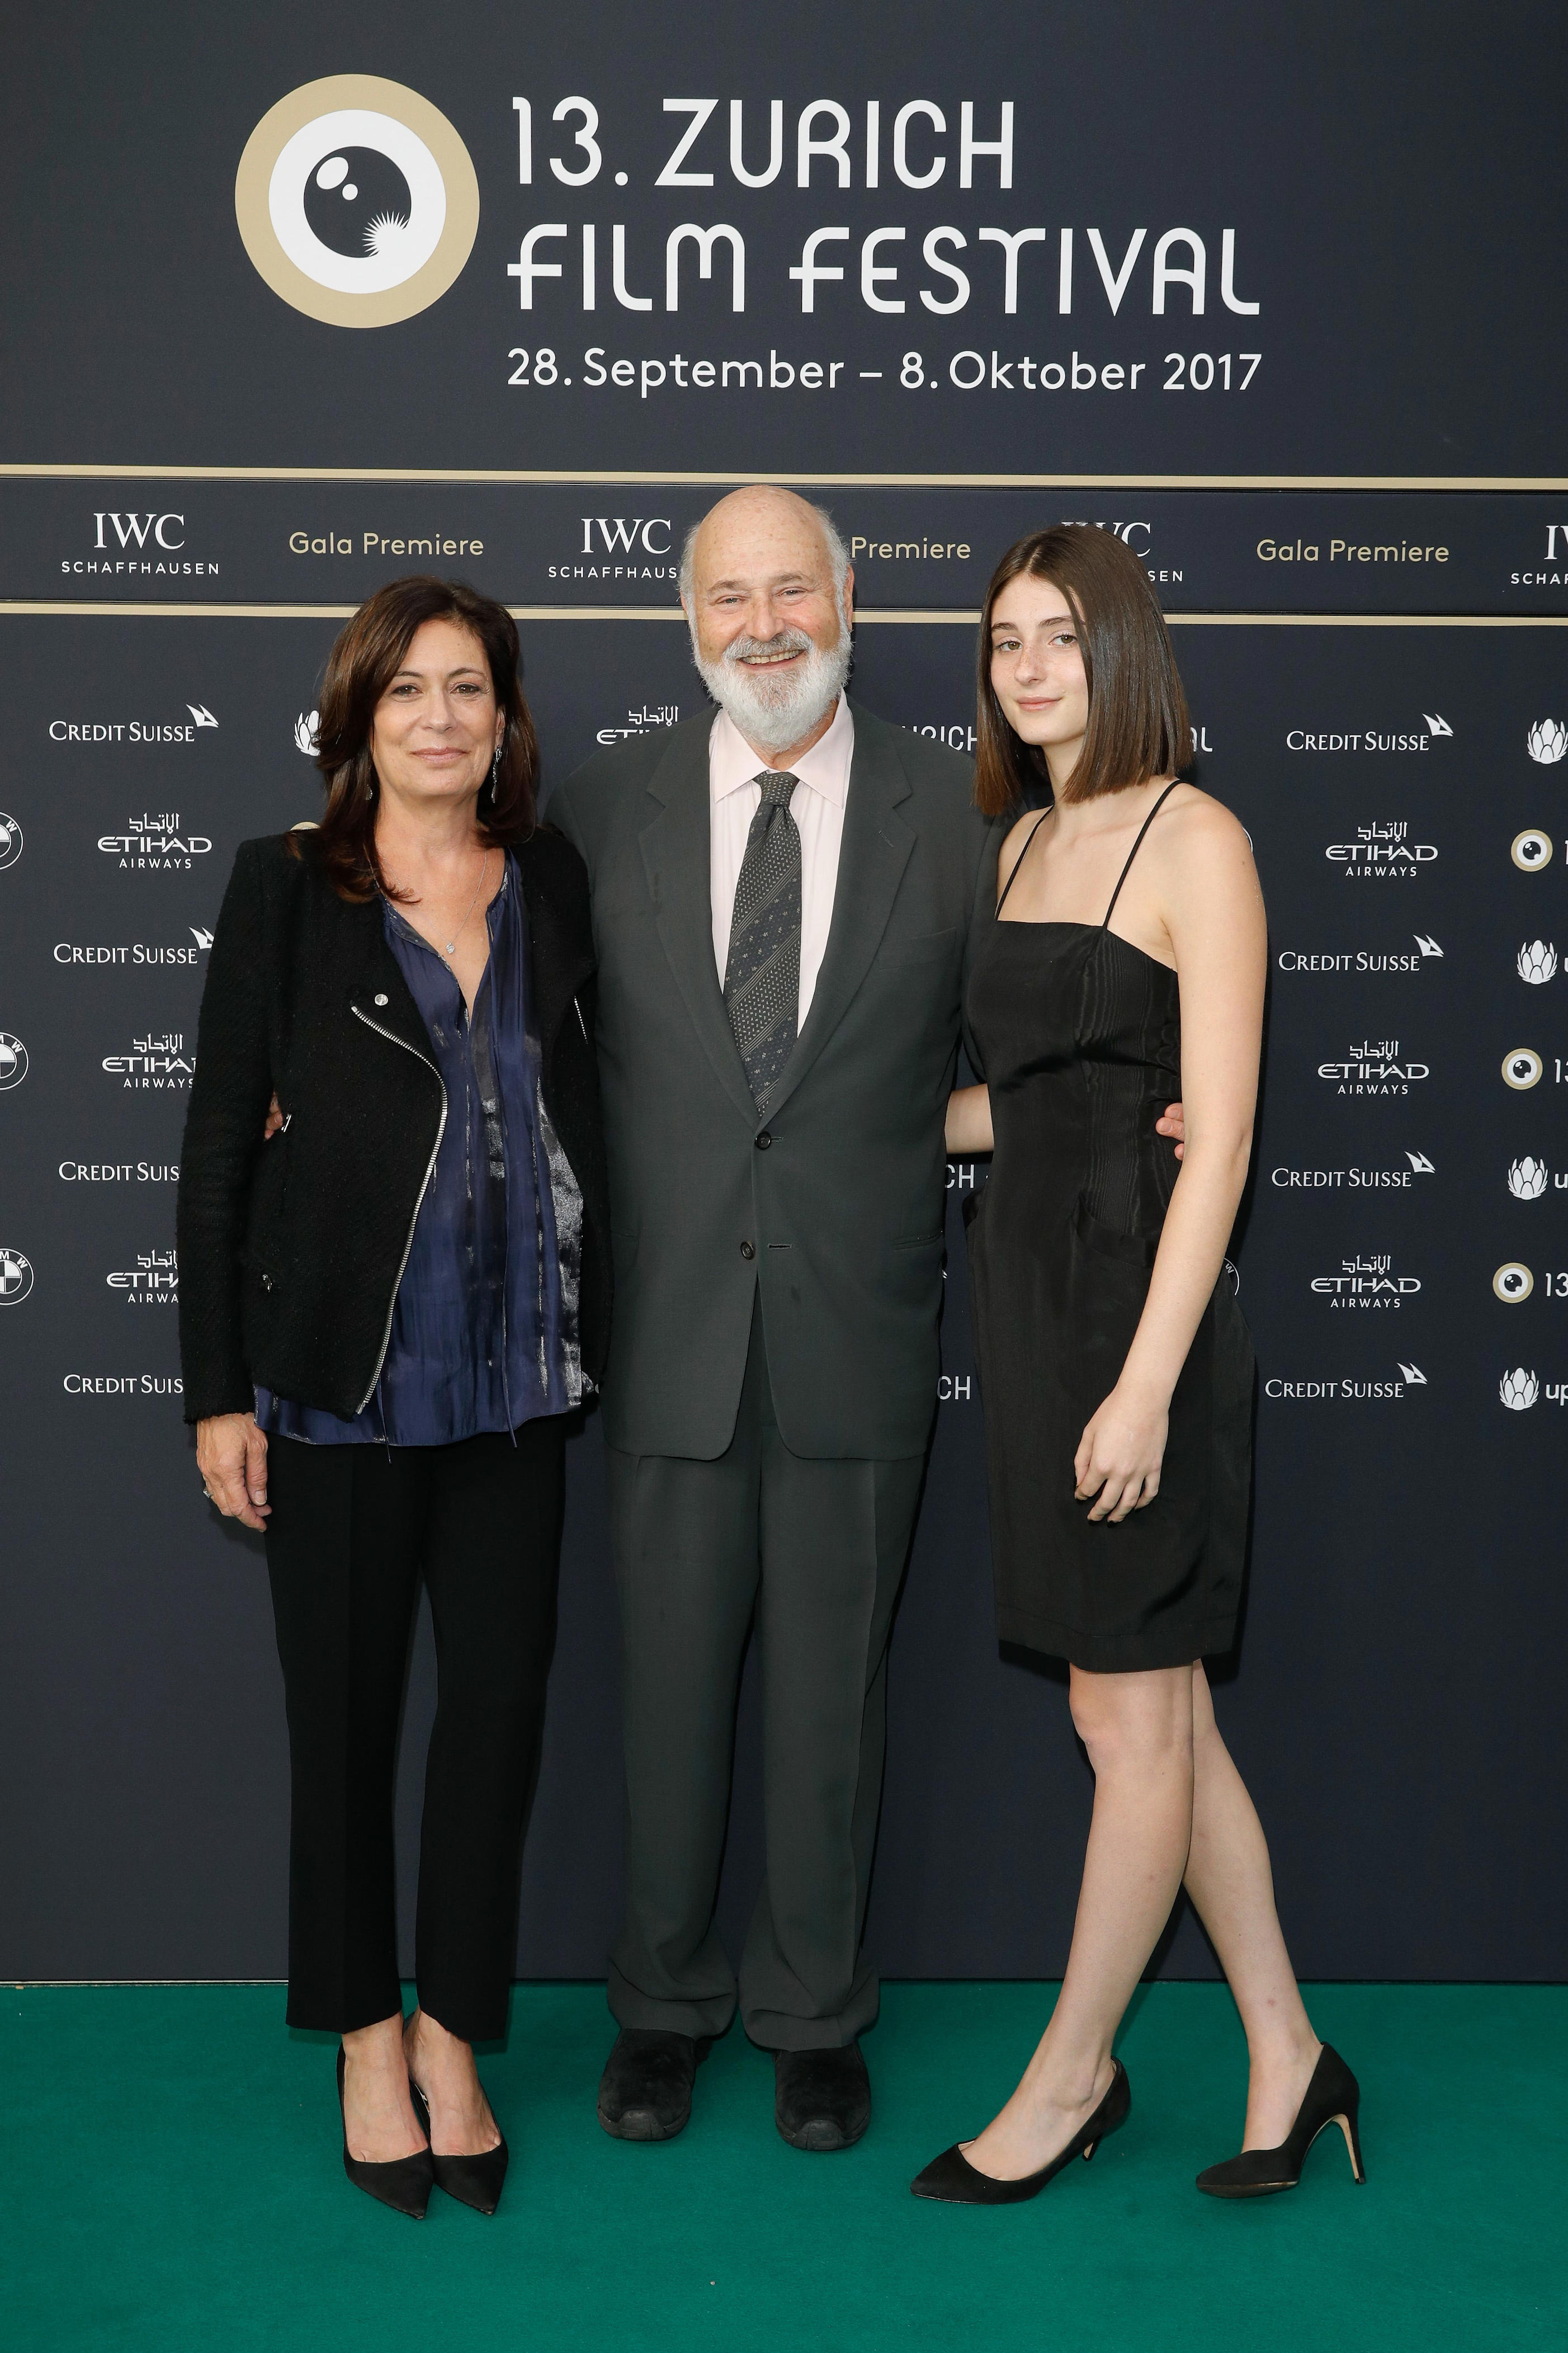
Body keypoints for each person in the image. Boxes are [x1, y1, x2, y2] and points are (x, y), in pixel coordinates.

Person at [550, 488, 1189, 2153]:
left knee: (833, 1701)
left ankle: (814, 2012)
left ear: (850, 595)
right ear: (682, 617)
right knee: (667, 1696)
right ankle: (664, 2005)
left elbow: (1047, 1039)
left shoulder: (960, 811)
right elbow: (517, 1042)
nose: (760, 624)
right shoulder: (598, 806)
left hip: (859, 1329)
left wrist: (1142, 1118)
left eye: (791, 588)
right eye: (724, 595)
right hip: (667, 1333)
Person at [913, 526, 1362, 2206]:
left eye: (1060, 636)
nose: (1028, 668)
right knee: (1156, 1712)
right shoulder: (1021, 840)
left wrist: (1148, 1379)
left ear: (1125, 650)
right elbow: (1010, 1103)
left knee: (1124, 1718)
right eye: (1004, 641)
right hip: (1026, 1300)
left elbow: (1223, 1131)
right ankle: (1286, 2049)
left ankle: (1070, 2077)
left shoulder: (1201, 840)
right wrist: (816, 1112)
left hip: (1136, 1313)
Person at [177, 578, 609, 2218]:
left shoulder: (552, 880)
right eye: (407, 689)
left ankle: (457, 2038)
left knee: (494, 1726)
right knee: (344, 1732)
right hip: (342, 1393)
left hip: (519, 1383)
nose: (440, 716)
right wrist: (219, 1394)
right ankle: (366, 2039)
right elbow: (215, 1154)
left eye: (471, 689)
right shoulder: (284, 893)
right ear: (356, 718)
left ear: (506, 719)